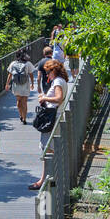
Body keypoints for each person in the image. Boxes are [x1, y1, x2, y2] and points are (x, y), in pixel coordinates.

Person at [28, 59, 69, 191]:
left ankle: (47, 180)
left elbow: (58, 98)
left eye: (48, 72)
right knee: (49, 148)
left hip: (52, 118)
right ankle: (46, 178)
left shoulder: (57, 81)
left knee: (48, 149)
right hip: (55, 116)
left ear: (54, 70)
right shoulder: (61, 81)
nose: (47, 75)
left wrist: (44, 98)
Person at [6, 49, 37, 122]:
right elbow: (31, 74)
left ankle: (20, 115)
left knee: (18, 100)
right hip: (25, 84)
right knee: (24, 102)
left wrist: (7, 84)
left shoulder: (13, 63)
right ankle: (24, 118)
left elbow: (10, 74)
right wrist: (32, 84)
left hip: (16, 85)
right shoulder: (28, 63)